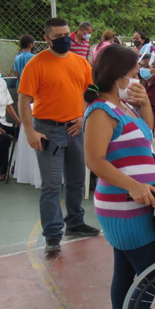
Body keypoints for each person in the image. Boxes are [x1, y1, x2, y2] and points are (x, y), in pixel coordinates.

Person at [82, 45, 155, 309]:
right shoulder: (101, 110)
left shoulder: (122, 105)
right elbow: (94, 159)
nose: (137, 79)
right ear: (117, 77)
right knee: (154, 274)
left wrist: (146, 104)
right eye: (133, 74)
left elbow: (147, 134)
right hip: (123, 207)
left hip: (133, 205)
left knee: (125, 273)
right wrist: (132, 186)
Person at [18, 18, 101, 254]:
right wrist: (30, 131)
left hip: (75, 129)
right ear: (46, 39)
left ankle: (75, 222)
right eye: (58, 37)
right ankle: (52, 235)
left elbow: (92, 89)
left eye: (67, 34)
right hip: (48, 132)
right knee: (52, 185)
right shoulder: (36, 64)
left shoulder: (80, 62)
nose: (65, 39)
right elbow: (24, 100)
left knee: (76, 181)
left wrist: (83, 115)